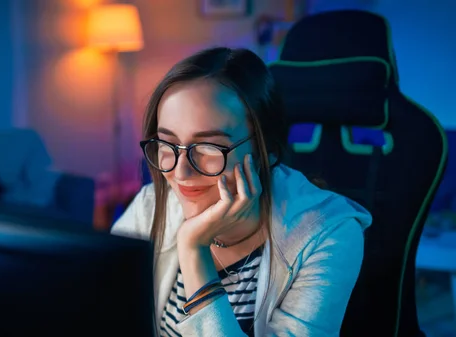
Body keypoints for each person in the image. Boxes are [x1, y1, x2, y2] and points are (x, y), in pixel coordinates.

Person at [111, 47, 372, 336]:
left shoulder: (329, 234)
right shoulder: (150, 205)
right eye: (166, 143)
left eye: (209, 147)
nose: (180, 173)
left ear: (266, 150)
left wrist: (194, 250)